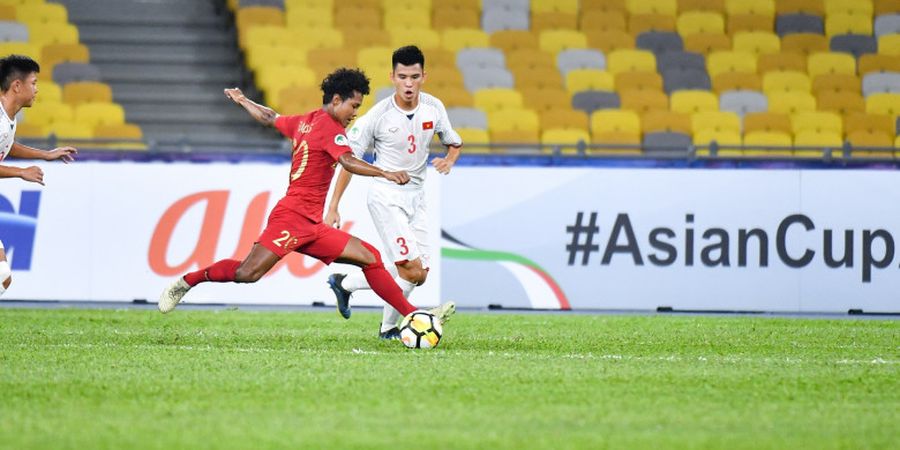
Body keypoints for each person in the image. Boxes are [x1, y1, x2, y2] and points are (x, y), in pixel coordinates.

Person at [158, 67, 451, 324]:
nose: (355, 113)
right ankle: (186, 282)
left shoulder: (303, 121)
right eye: (353, 105)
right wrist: (385, 173)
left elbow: (270, 116)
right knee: (247, 273)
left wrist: (244, 100)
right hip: (292, 218)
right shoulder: (331, 129)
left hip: (312, 225)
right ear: (337, 100)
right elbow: (347, 161)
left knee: (370, 257)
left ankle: (413, 315)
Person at [324, 46, 462, 340]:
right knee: (410, 269)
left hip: (417, 195)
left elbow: (454, 142)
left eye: (414, 76)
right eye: (402, 77)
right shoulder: (379, 115)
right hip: (386, 196)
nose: (409, 84)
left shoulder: (434, 108)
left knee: (419, 273)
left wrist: (449, 160)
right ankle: (387, 324)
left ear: (424, 76)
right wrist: (334, 205)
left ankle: (350, 288)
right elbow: (348, 161)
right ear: (393, 77)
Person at [0, 55, 78, 297]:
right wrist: (21, 172)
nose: (36, 89)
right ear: (17, 85)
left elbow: (7, 145)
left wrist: (45, 154)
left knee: (2, 278)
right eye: (33, 82)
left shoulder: (7, 118)